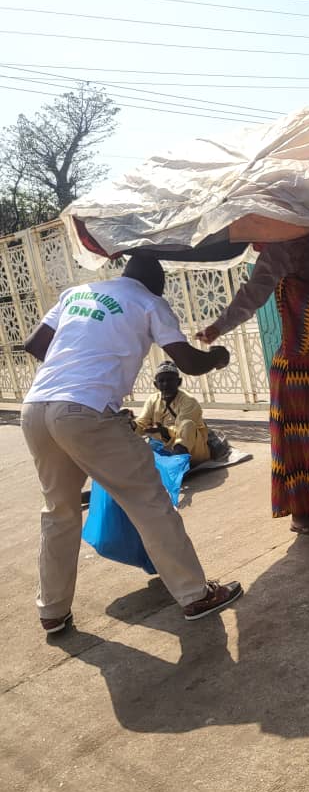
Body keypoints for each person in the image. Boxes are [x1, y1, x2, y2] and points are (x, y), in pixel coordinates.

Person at [21, 254, 243, 633]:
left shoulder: (77, 293)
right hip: (84, 411)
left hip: (37, 408)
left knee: (58, 511)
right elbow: (188, 363)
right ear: (156, 281)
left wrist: (80, 361)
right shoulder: (149, 302)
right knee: (149, 501)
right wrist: (217, 358)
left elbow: (35, 344)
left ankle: (52, 610)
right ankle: (195, 595)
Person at [196, 233, 309, 534]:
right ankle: (301, 513)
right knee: (299, 445)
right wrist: (218, 327)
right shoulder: (279, 249)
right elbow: (252, 294)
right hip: (297, 373)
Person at [134, 360, 210, 465]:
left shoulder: (189, 401)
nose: (166, 384)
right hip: (164, 448)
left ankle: (177, 461)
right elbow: (142, 423)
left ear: (179, 382)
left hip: (193, 450)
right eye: (161, 381)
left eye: (170, 380)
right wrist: (132, 424)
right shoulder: (152, 399)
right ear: (156, 384)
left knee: (187, 424)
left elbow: (182, 429)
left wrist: (164, 431)